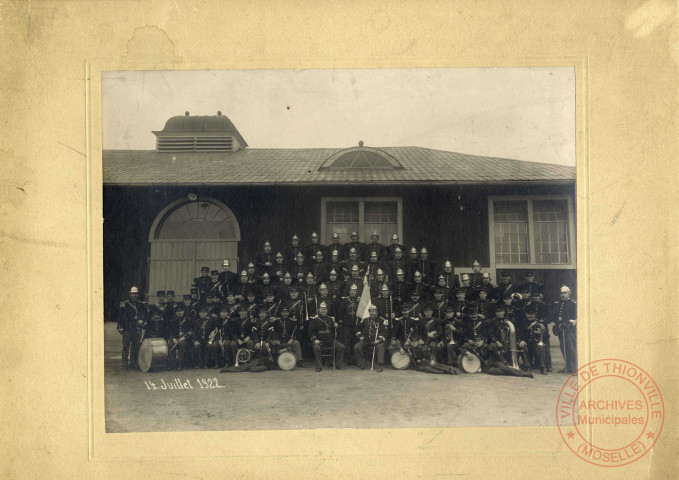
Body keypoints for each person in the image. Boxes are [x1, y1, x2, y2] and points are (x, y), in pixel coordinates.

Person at [308, 302, 346, 371]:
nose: (324, 311)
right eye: (322, 309)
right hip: (319, 341)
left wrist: (336, 327)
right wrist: (315, 339)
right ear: (319, 310)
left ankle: (338, 364)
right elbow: (311, 332)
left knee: (341, 347)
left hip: (330, 340)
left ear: (327, 310)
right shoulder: (315, 320)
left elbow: (334, 331)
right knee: (316, 347)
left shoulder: (330, 319)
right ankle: (319, 366)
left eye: (325, 309)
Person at [117, 286, 147, 370]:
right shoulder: (125, 304)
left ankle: (134, 364)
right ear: (130, 294)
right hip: (127, 328)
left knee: (135, 347)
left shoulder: (141, 305)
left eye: (136, 294)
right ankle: (125, 365)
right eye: (133, 294)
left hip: (136, 329)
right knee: (126, 347)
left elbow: (145, 315)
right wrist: (120, 327)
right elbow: (120, 317)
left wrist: (142, 320)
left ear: (138, 295)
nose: (134, 295)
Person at [551, 285, 577, 374]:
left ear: (569, 294)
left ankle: (576, 369)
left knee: (571, 348)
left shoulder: (573, 304)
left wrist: (574, 321)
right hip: (560, 329)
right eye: (561, 293)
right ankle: (568, 367)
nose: (562, 295)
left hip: (570, 330)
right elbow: (555, 316)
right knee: (563, 348)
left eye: (564, 293)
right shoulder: (557, 304)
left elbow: (578, 316)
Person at [354, 305, 389, 371]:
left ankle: (379, 365)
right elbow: (357, 328)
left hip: (378, 340)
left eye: (374, 311)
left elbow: (384, 332)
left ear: (377, 312)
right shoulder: (365, 320)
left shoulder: (381, 320)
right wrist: (360, 336)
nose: (372, 313)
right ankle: (362, 363)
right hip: (367, 340)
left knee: (380, 346)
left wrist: (378, 339)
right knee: (357, 347)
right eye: (371, 311)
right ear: (369, 312)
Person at [166, 303, 193, 370]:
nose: (179, 313)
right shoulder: (172, 321)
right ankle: (173, 363)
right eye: (178, 312)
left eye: (181, 311)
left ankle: (180, 364)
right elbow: (170, 332)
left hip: (184, 340)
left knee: (181, 344)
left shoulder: (188, 321)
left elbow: (191, 331)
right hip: (175, 339)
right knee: (170, 345)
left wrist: (184, 337)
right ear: (176, 313)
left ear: (183, 312)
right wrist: (173, 339)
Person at [339, 284, 360, 365]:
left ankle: (354, 359)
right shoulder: (345, 301)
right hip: (346, 324)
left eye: (354, 291)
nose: (352, 292)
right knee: (347, 342)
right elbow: (341, 312)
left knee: (355, 341)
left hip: (356, 325)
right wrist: (341, 320)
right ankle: (347, 359)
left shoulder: (359, 302)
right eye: (351, 291)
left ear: (356, 292)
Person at [524, 309, 548, 375]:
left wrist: (542, 332)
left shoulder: (540, 324)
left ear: (535, 315)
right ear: (526, 315)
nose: (530, 316)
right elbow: (520, 334)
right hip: (527, 343)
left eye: (532, 314)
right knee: (524, 348)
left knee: (541, 348)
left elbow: (547, 336)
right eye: (528, 314)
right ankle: (527, 367)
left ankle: (542, 367)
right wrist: (522, 341)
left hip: (535, 343)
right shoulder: (523, 323)